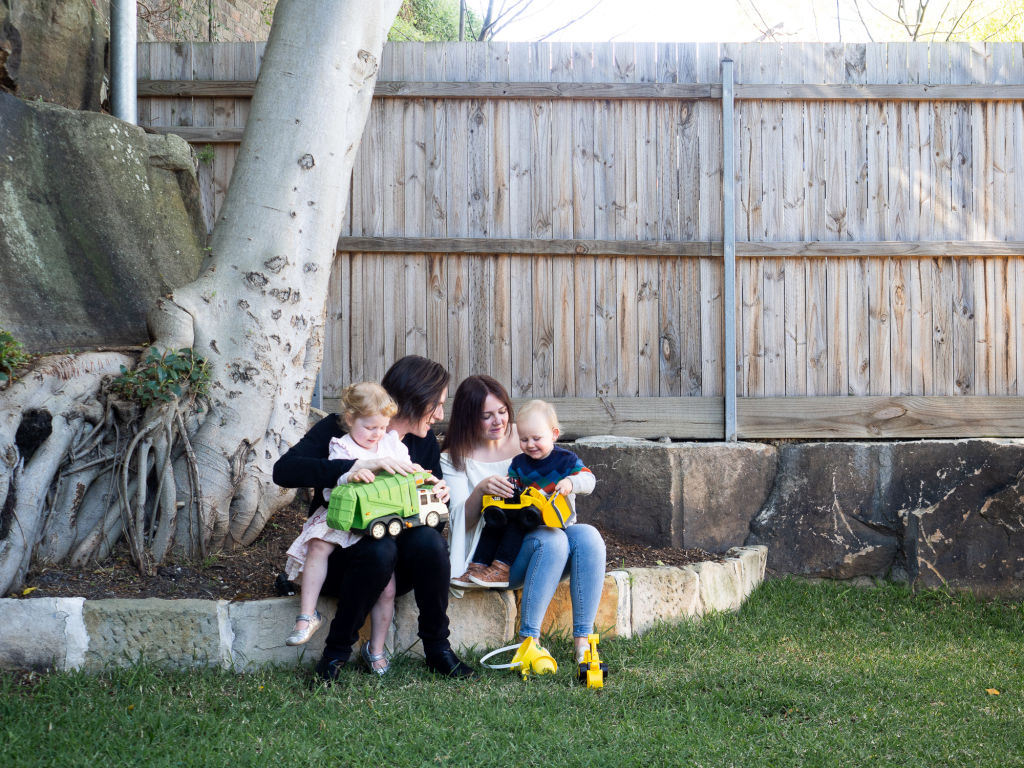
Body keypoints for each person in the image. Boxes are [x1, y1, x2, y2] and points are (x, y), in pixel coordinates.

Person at [272, 356, 476, 681]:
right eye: (435, 404)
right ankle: (335, 654)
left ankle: (438, 647)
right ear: (413, 399)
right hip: (344, 561)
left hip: (397, 566)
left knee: (431, 542)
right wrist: (350, 468)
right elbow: (283, 471)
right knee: (379, 550)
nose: (440, 414)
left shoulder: (421, 446)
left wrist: (434, 497)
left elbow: (432, 521)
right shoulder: (342, 428)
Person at [441, 376, 606, 664]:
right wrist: (481, 491)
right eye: (486, 416)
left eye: (503, 412)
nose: (499, 422)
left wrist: (569, 487)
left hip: (545, 544)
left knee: (588, 535)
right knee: (551, 540)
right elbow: (459, 525)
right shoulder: (454, 458)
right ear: (469, 418)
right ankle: (529, 642)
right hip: (497, 559)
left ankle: (584, 642)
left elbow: (574, 473)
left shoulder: (528, 436)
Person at [283, 382, 428, 677]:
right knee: (317, 545)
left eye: (382, 427)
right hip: (348, 516)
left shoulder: (390, 443)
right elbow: (335, 477)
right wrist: (352, 472)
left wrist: (424, 477)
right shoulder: (342, 446)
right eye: (370, 427)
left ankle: (376, 649)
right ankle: (307, 615)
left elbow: (409, 469)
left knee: (386, 587)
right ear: (350, 419)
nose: (377, 434)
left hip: (380, 519)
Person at [452, 399, 594, 589]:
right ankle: (477, 567)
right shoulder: (519, 462)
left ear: (554, 435)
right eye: (524, 439)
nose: (530, 445)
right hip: (525, 513)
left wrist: (570, 482)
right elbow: (513, 484)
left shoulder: (566, 460)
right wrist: (506, 488)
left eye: (536, 438)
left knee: (516, 525)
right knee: (494, 523)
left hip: (550, 519)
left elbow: (589, 479)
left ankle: (501, 569)